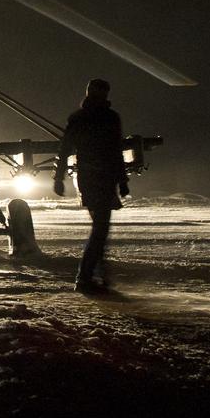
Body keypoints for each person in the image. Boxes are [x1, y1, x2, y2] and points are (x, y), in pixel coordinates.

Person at [52, 78, 130, 293]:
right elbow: (116, 151)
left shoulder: (79, 118)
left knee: (99, 228)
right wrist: (122, 181)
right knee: (100, 229)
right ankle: (85, 277)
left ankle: (97, 274)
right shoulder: (111, 118)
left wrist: (58, 178)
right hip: (103, 179)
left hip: (88, 178)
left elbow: (65, 149)